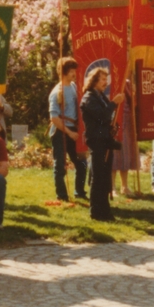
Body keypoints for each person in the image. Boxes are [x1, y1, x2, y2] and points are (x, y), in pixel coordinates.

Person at [80, 68, 123, 222]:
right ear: (94, 81)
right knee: (98, 177)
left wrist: (113, 126)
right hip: (96, 141)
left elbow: (108, 118)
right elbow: (102, 115)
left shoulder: (101, 97)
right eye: (102, 79)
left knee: (105, 177)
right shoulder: (89, 97)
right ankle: (95, 212)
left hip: (105, 140)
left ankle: (105, 211)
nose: (106, 82)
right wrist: (114, 103)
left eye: (106, 79)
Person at [48, 57, 87, 203]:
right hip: (61, 132)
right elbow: (54, 118)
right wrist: (69, 133)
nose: (74, 74)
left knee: (82, 163)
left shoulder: (74, 87)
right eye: (71, 71)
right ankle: (62, 196)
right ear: (63, 72)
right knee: (60, 166)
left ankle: (80, 192)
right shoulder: (56, 92)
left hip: (75, 130)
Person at [111, 78, 141, 197]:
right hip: (115, 120)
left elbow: (133, 103)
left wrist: (134, 92)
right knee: (114, 154)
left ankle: (124, 186)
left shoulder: (127, 82)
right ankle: (112, 187)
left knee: (126, 153)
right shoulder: (111, 78)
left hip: (127, 121)